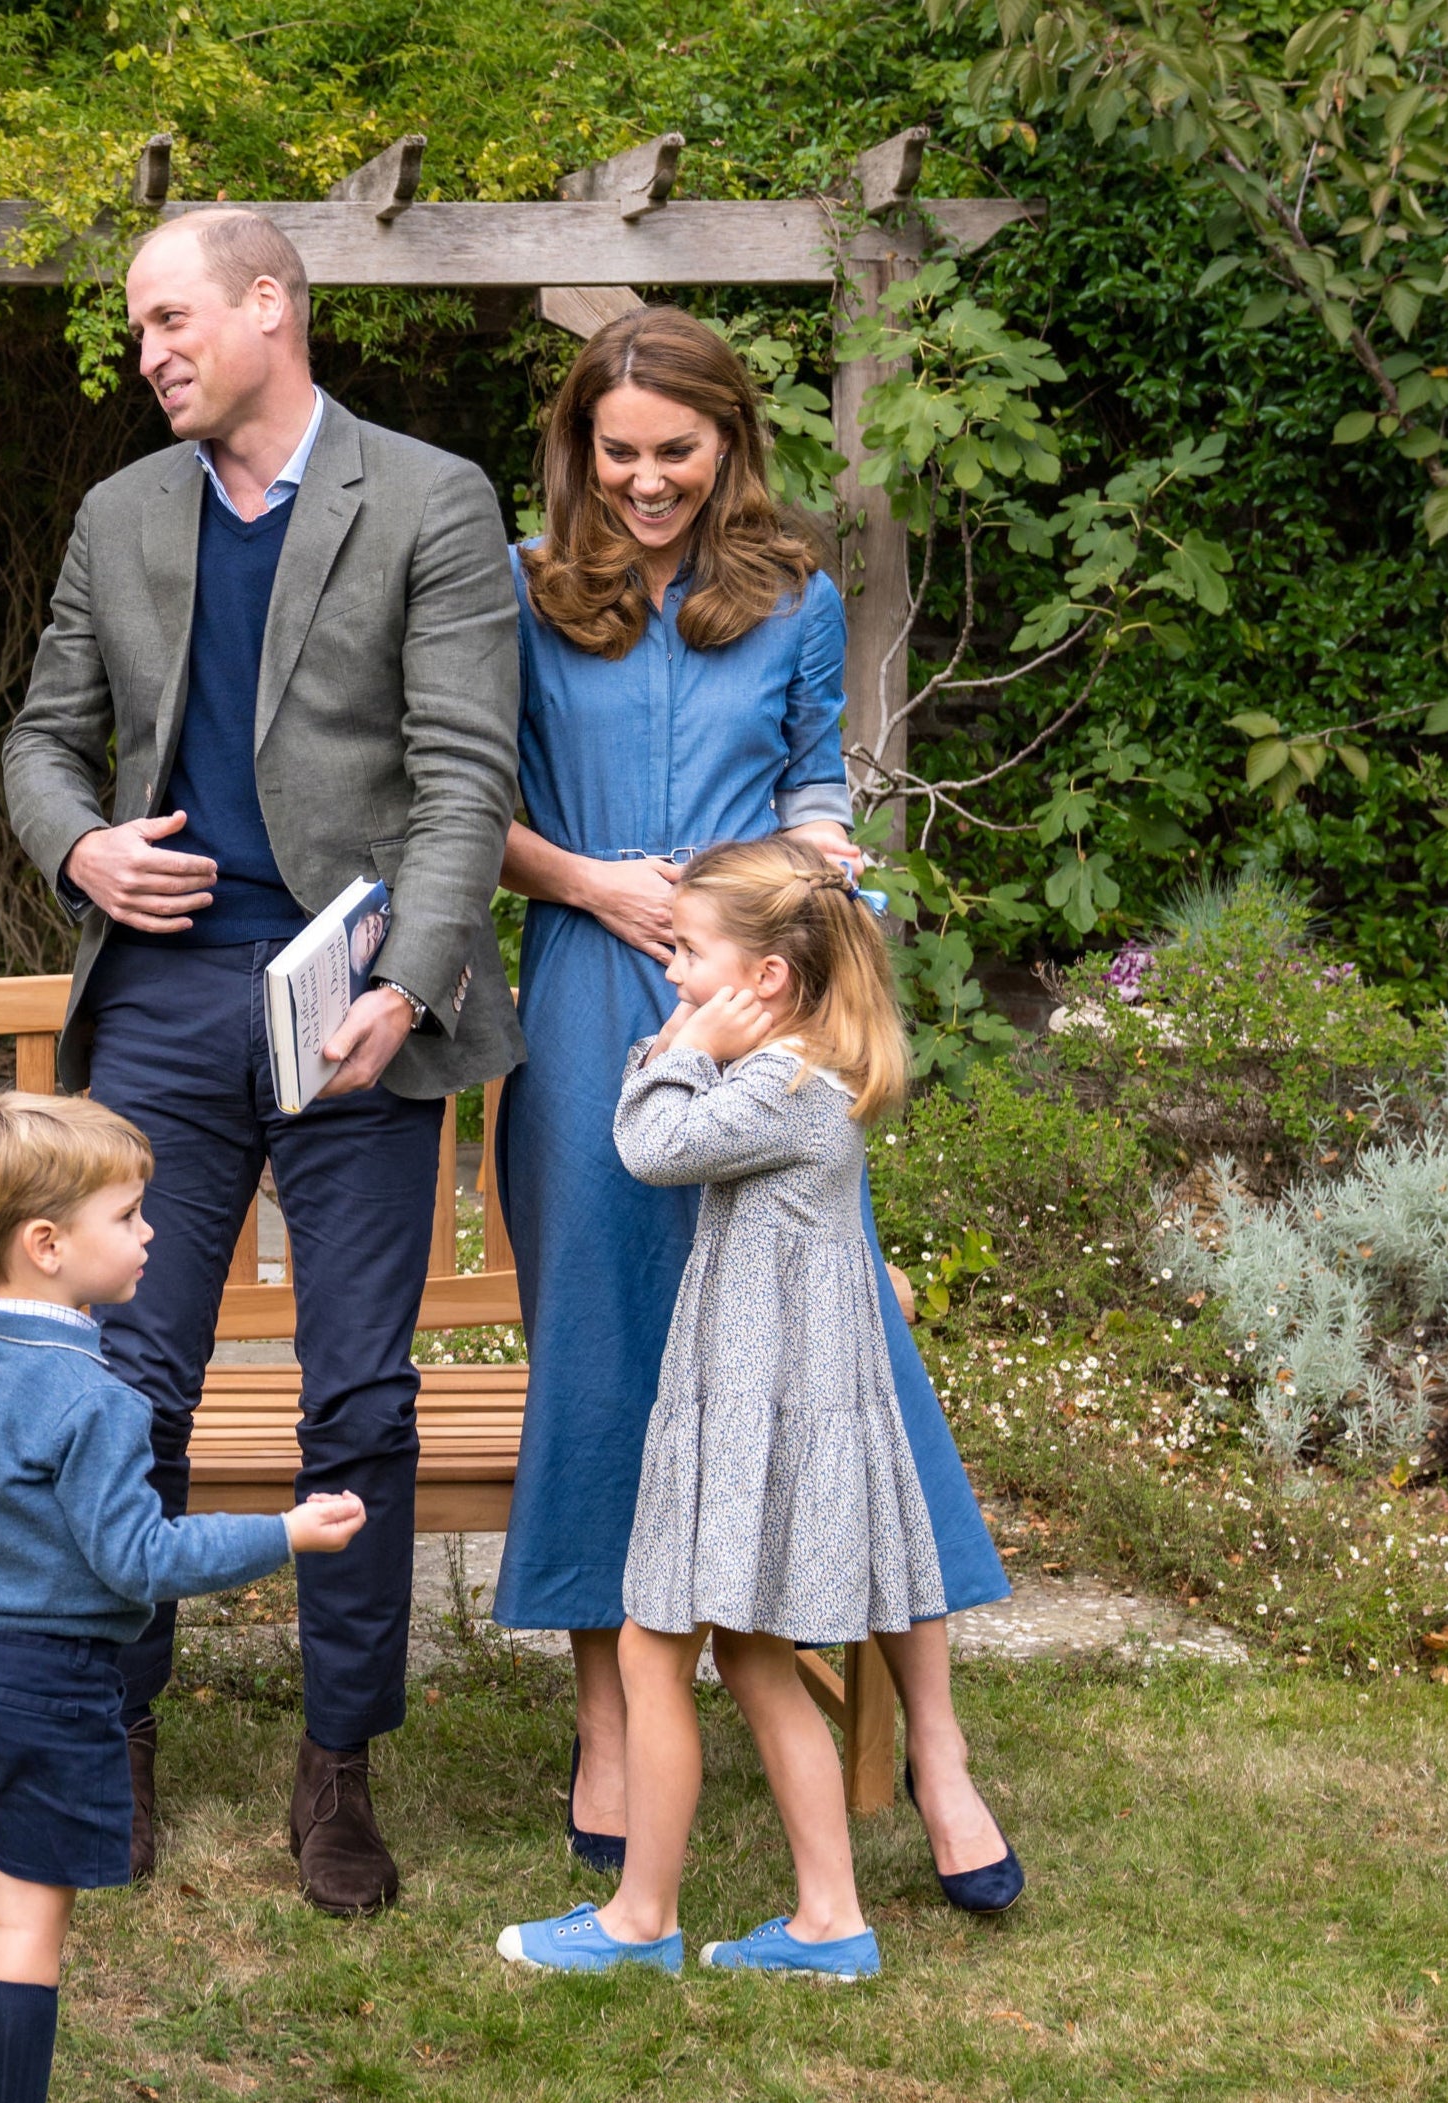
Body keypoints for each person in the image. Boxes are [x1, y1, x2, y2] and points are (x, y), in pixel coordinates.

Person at [4, 207, 522, 1913]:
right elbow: (40, 738)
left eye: (169, 320)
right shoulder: (119, 514)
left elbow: (463, 776)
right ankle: (116, 1730)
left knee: (357, 1393)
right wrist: (80, 845)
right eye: (138, 327)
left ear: (267, 306)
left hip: (351, 1004)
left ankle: (338, 1762)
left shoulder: (429, 498)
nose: (147, 351)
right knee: (126, 1384)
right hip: (161, 1004)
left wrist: (414, 981)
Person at [490, 306, 1022, 1916]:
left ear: (727, 443)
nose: (645, 480)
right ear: (578, 446)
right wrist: (591, 881)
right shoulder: (518, 589)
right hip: (588, 992)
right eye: (618, 452)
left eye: (676, 450)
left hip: (762, 1004)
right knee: (601, 1346)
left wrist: (812, 852)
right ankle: (606, 1717)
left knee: (841, 1345)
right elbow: (463, 803)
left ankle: (935, 1746)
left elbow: (811, 779)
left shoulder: (791, 595)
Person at [0, 1093, 365, 2103]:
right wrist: (284, 1533)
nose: (148, 1234)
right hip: (50, 1686)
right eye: (128, 1216)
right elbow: (139, 1559)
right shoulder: (96, 1401)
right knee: (27, 1917)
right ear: (47, 1245)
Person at [502, 838, 937, 1976]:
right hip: (763, 1404)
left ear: (768, 979)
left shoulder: (780, 1086)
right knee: (753, 1659)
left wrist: (682, 1044)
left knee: (651, 1652)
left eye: (691, 955)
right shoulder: (805, 1074)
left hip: (750, 1416)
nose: (673, 973)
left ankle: (639, 1921)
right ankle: (830, 1921)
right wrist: (695, 1035)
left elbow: (647, 1146)